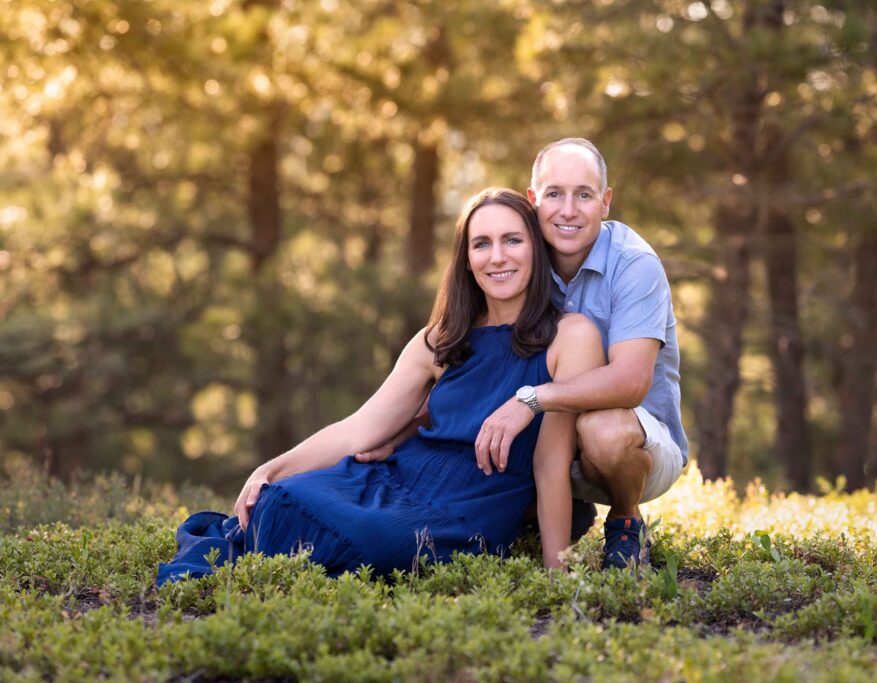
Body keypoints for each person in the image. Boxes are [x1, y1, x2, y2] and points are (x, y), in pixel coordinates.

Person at [156, 188, 604, 585]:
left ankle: (297, 548)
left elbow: (550, 461)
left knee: (383, 545)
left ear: (535, 249)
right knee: (281, 497)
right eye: (481, 244)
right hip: (394, 481)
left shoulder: (571, 336)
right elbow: (359, 429)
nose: (497, 257)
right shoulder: (440, 338)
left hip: (467, 512)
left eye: (512, 240)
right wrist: (271, 468)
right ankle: (284, 538)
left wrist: (556, 570)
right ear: (466, 259)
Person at [473, 138, 688, 569]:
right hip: (550, 441)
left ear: (605, 203)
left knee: (602, 429)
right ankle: (554, 513)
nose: (567, 210)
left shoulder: (634, 264)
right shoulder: (516, 258)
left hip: (637, 442)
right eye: (554, 194)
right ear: (534, 200)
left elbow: (630, 382)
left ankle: (626, 523)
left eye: (584, 195)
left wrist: (531, 399)